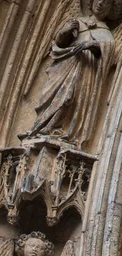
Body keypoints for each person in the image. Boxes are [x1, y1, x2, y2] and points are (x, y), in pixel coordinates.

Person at [24, 0, 116, 147]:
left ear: (111, 9)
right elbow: (59, 43)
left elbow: (110, 54)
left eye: (106, 2)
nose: (101, 3)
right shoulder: (78, 22)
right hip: (65, 66)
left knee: (69, 98)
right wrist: (65, 31)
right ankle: (41, 126)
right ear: (90, 3)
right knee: (53, 96)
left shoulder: (106, 33)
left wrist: (93, 45)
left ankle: (58, 129)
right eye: (98, 0)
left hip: (85, 72)